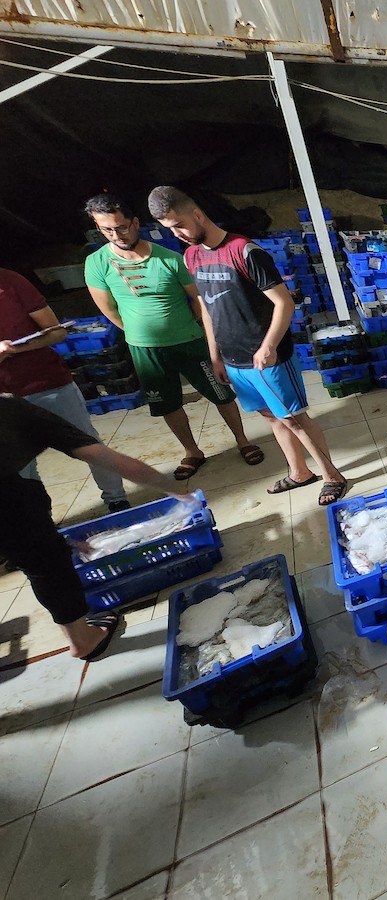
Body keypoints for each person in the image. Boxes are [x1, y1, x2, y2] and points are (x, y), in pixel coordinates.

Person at [147, 186, 349, 506]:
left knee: (294, 417)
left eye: (179, 224)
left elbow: (284, 304)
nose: (177, 234)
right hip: (233, 359)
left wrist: (268, 346)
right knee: (271, 417)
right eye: (169, 228)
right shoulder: (192, 255)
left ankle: (332, 476)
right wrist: (215, 355)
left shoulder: (244, 251)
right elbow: (208, 307)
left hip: (268, 357)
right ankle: (299, 472)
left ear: (198, 215)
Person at [83, 193, 262, 480]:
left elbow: (199, 301)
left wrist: (190, 327)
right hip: (145, 350)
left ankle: (243, 440)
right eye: (106, 230)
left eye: (122, 227)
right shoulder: (97, 263)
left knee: (221, 393)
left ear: (136, 222)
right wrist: (139, 331)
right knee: (167, 403)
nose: (116, 235)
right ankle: (193, 451)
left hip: (189, 341)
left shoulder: (170, 259)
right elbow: (110, 311)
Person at [0, 395, 191, 660]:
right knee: (45, 562)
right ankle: (83, 640)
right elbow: (100, 456)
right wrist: (173, 490)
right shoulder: (11, 409)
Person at [0, 267, 130, 513]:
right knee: (21, 466)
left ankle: (117, 500)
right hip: (5, 399)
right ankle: (41, 518)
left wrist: (17, 349)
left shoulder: (11, 281)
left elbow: (57, 332)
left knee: (87, 444)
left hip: (49, 382)